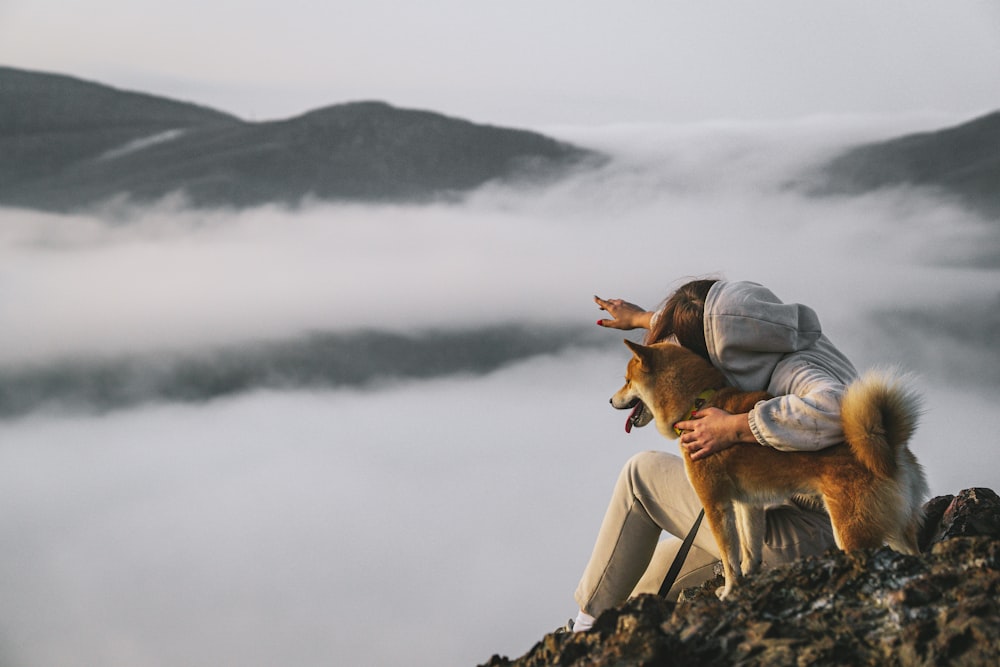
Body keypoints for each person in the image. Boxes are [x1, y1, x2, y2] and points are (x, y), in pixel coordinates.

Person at [568, 278, 856, 633]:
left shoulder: (794, 370)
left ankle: (581, 632)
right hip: (781, 519)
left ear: (722, 345)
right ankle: (599, 640)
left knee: (639, 474)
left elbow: (842, 407)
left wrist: (736, 426)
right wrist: (643, 318)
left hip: (817, 533)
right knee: (654, 571)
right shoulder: (756, 338)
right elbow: (714, 325)